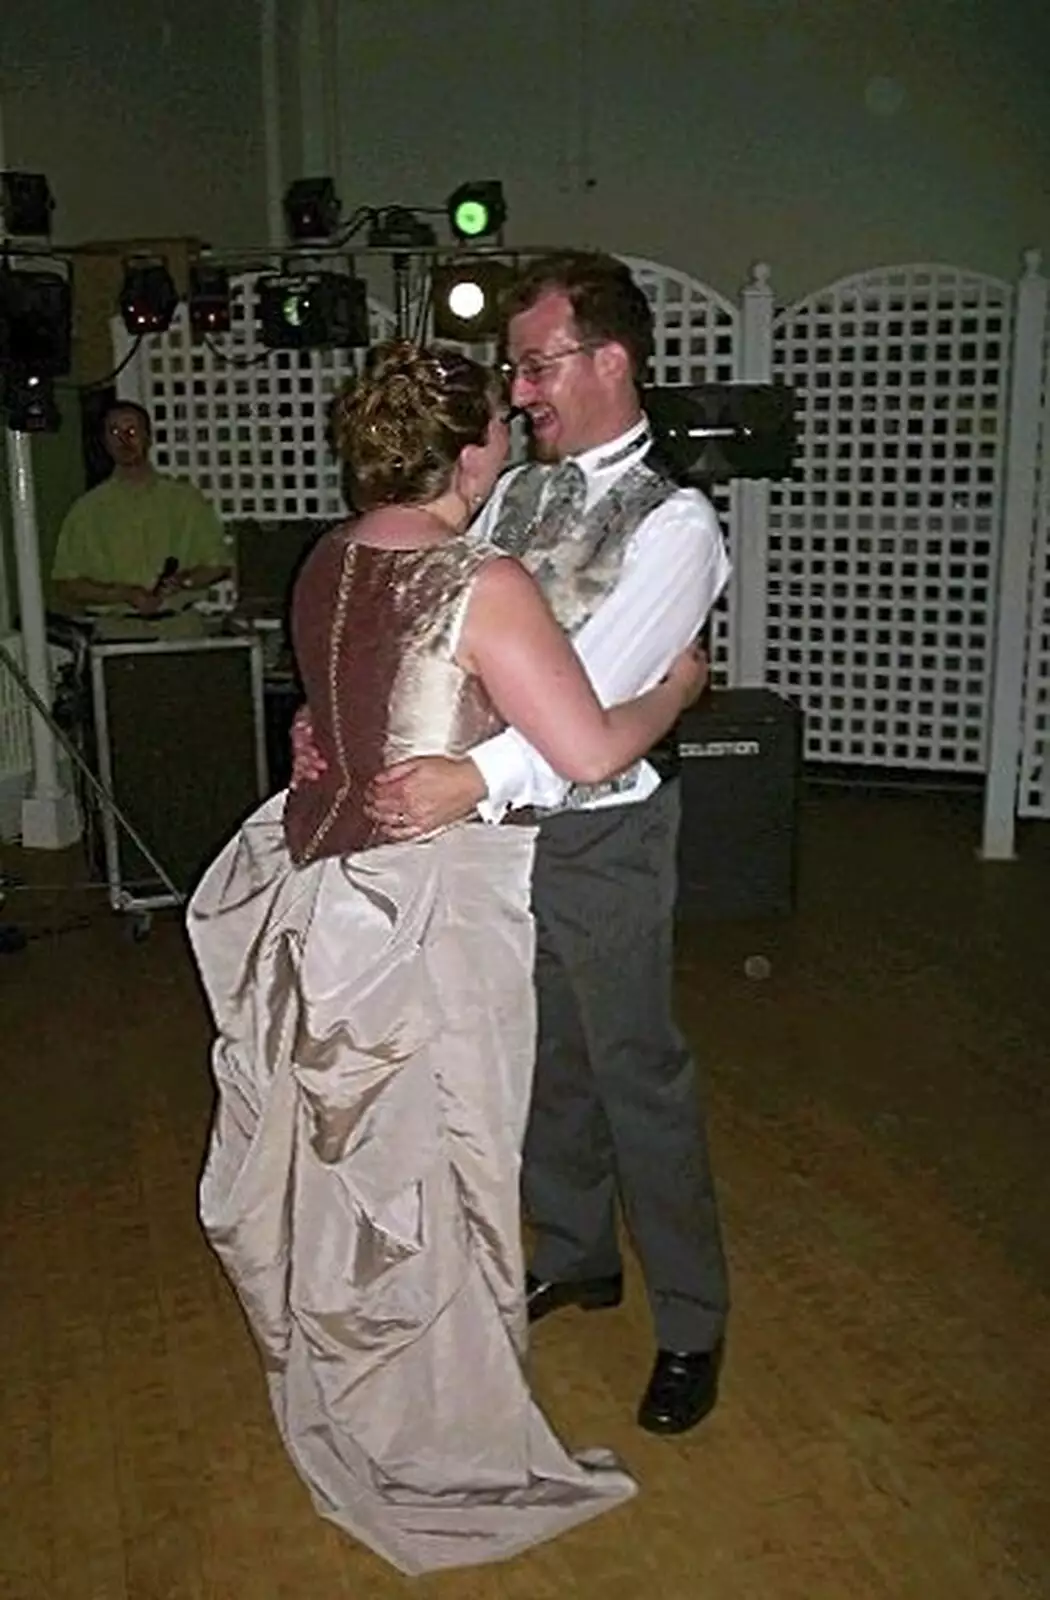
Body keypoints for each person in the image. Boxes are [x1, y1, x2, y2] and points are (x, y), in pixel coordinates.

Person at [186, 341, 706, 1577]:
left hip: (330, 895)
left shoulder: (330, 557)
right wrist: (675, 697)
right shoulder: (481, 578)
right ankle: (441, 1438)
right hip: (430, 910)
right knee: (447, 1177)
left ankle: (378, 1391)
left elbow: (334, 711)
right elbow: (583, 750)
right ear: (468, 451)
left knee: (368, 1176)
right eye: (496, 423)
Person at [292, 251, 733, 1435]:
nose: (523, 389)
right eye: (518, 370)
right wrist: (344, 716)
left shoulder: (679, 521)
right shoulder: (517, 495)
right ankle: (580, 1252)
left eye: (538, 365)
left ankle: (692, 1319)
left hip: (602, 837)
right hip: (492, 845)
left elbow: (588, 704)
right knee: (544, 1068)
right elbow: (449, 635)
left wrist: (469, 775)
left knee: (638, 1071)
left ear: (610, 359)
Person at [51, 401, 230, 616]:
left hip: (178, 624)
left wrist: (184, 581)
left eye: (132, 431)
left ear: (149, 437)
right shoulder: (87, 510)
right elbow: (66, 584)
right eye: (115, 432)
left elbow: (218, 565)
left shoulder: (185, 500)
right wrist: (121, 594)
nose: (124, 439)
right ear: (104, 441)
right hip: (115, 627)